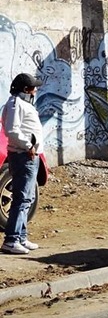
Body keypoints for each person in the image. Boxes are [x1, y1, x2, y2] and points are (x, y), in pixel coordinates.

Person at [1, 73, 43, 254]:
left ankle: (21, 237)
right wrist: (28, 146)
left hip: (30, 156)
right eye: (34, 88)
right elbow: (11, 130)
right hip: (24, 155)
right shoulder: (15, 104)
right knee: (21, 198)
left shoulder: (22, 104)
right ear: (26, 89)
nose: (35, 91)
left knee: (27, 198)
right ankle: (11, 240)